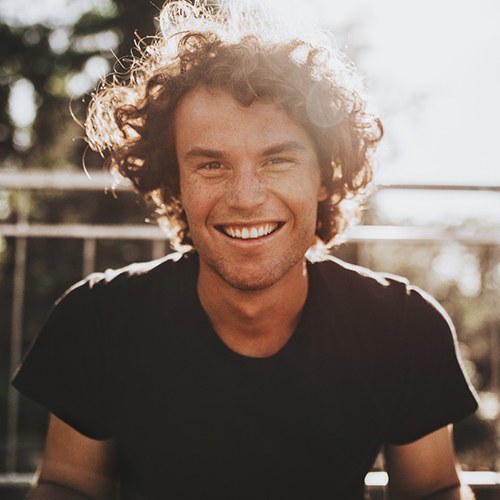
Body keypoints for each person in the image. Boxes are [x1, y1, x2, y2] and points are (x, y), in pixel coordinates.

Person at [12, 1, 478, 498]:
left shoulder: (403, 325)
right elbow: (69, 485)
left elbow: (433, 489)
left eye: (277, 161)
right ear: (176, 182)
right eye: (211, 165)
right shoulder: (98, 318)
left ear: (325, 176)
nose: (246, 197)